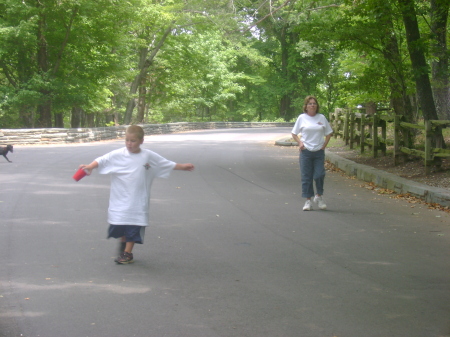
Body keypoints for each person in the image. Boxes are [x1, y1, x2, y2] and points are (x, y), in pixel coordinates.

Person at [79, 125, 194, 264]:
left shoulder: (147, 156)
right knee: (119, 224)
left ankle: (127, 253)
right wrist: (90, 166)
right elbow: (102, 160)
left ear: (141, 141)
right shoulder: (118, 154)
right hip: (120, 199)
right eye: (127, 140)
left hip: (138, 200)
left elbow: (164, 163)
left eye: (133, 141)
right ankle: (124, 245)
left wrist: (182, 166)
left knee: (133, 225)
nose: (129, 143)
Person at [291, 96, 333, 211]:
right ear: (306, 106)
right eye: (310, 103)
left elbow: (329, 133)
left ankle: (318, 196)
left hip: (319, 151)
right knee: (306, 177)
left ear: (317, 106)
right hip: (306, 152)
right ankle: (308, 201)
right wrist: (300, 143)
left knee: (319, 174)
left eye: (314, 103)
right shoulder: (302, 118)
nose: (312, 105)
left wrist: (324, 146)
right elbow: (294, 133)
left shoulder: (321, 117)